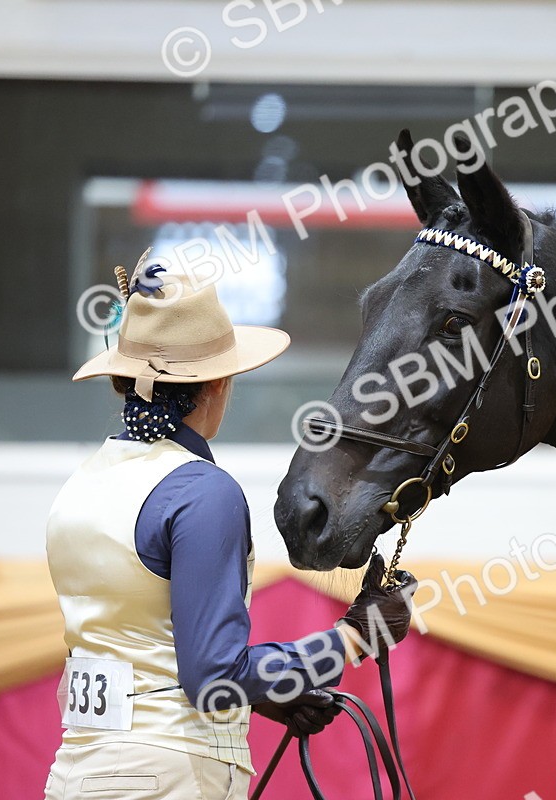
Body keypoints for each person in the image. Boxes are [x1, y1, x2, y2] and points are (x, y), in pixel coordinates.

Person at [43, 256, 417, 799]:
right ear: (217, 383)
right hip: (171, 774)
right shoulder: (202, 490)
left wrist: (263, 692)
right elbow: (214, 674)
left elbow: (136, 647)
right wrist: (355, 637)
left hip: (77, 768)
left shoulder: (81, 485)